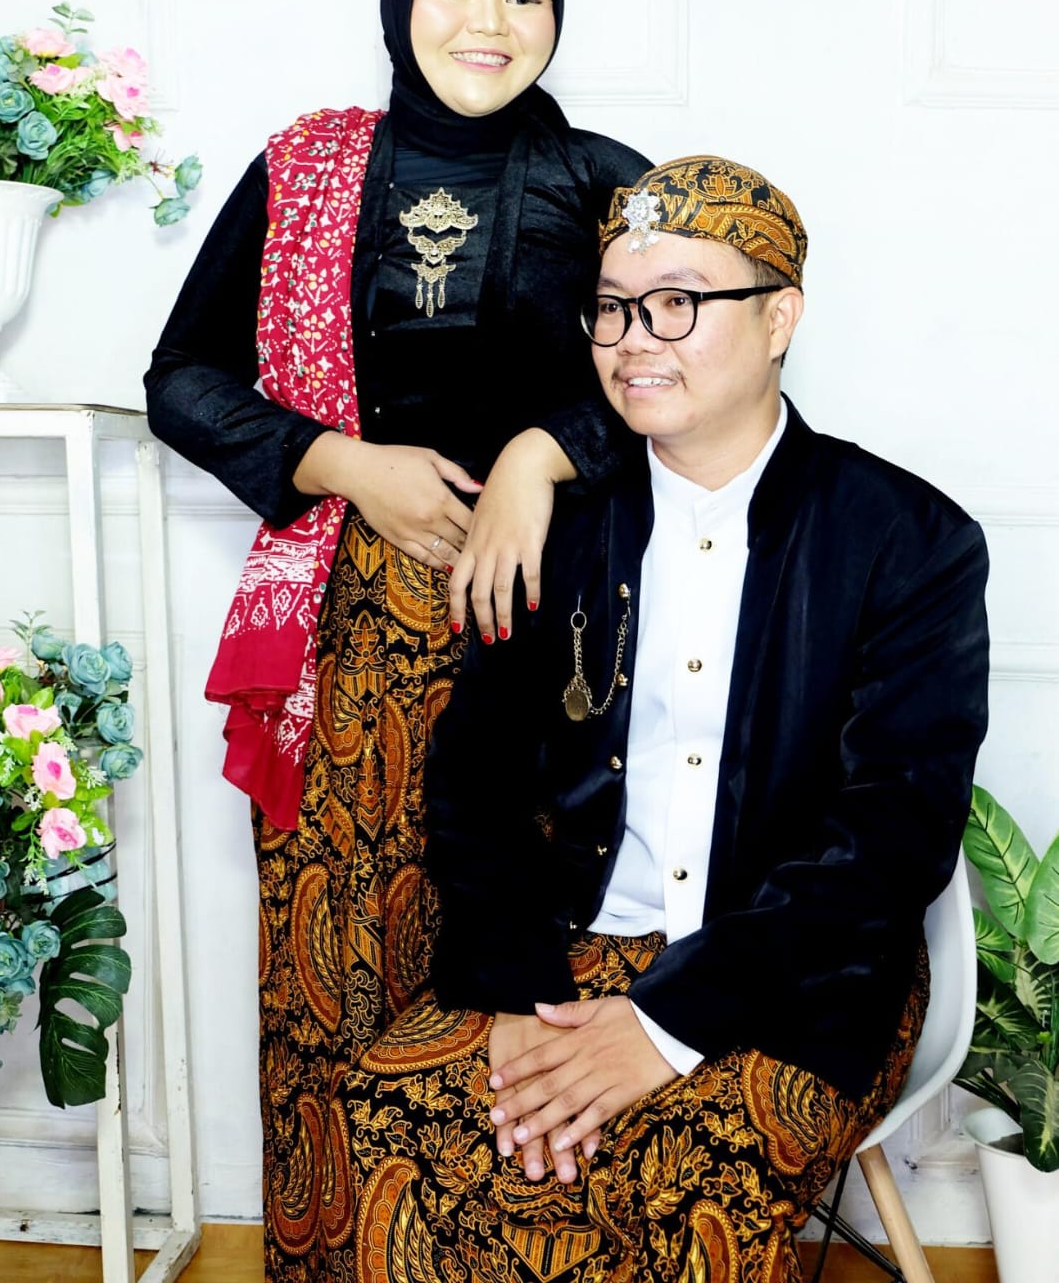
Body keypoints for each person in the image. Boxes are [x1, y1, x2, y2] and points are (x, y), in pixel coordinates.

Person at [326, 154, 991, 1280]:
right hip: (568, 950)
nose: (634, 340)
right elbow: (474, 784)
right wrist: (518, 995)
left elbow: (893, 838)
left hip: (799, 975)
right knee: (390, 1122)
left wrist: (665, 1024)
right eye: (613, 308)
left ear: (779, 318)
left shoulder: (909, 541)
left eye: (677, 303)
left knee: (681, 1177)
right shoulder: (557, 528)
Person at [144, 0, 649, 1279]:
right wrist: (339, 462)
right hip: (345, 648)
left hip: (552, 648)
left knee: (517, 973)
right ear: (397, 0)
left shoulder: (608, 185)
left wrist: (543, 453)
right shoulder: (307, 173)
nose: (490, 21)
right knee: (336, 981)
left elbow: (689, 379)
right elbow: (180, 377)